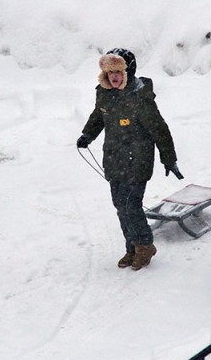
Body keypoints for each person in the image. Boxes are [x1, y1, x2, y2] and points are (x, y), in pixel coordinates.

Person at [77, 48, 183, 271]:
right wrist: (88, 134)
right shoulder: (104, 93)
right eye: (110, 72)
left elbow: (159, 129)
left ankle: (145, 245)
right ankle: (131, 247)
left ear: (128, 72)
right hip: (114, 159)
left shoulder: (140, 98)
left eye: (118, 71)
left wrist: (168, 159)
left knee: (131, 205)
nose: (114, 77)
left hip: (138, 160)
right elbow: (99, 115)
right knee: (120, 205)